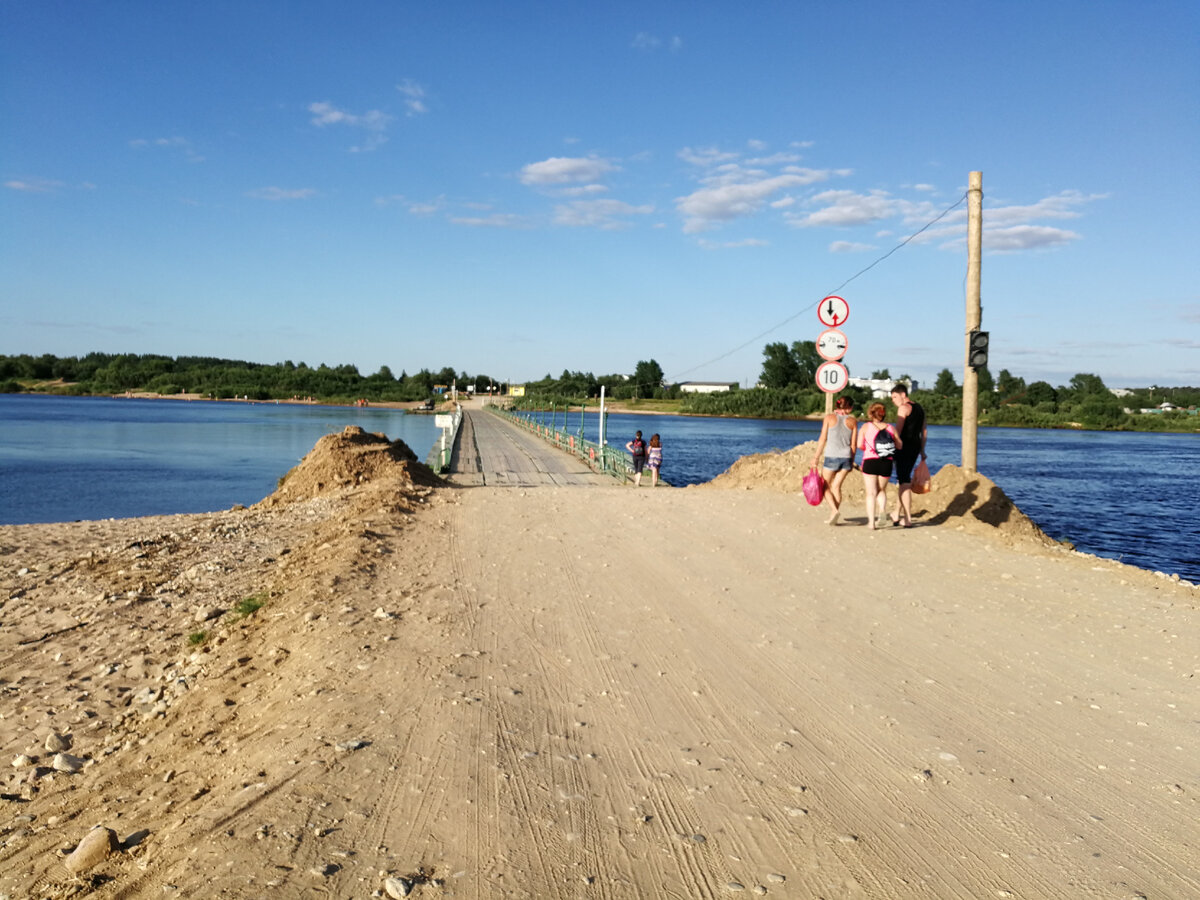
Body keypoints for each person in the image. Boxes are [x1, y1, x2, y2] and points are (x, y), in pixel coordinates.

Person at [810, 396, 857, 524]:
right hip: (846, 457)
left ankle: (834, 510)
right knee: (836, 487)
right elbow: (853, 445)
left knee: (824, 485)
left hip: (832, 456)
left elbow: (822, 439)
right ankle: (833, 516)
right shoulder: (853, 421)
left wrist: (816, 457)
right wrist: (852, 461)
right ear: (850, 407)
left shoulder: (829, 418)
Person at [858, 401, 902, 530]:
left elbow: (859, 444)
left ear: (871, 414)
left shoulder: (866, 427)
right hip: (886, 462)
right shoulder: (890, 428)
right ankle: (882, 510)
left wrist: (868, 447)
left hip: (870, 461)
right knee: (881, 490)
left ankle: (871, 523)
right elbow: (899, 445)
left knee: (871, 493)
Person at [889, 382, 927, 528]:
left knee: (904, 481)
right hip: (915, 447)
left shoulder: (903, 408)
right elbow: (924, 431)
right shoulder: (920, 409)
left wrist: (891, 446)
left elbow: (897, 431)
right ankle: (896, 513)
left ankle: (908, 518)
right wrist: (922, 450)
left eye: (894, 397)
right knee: (903, 479)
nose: (893, 400)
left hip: (903, 447)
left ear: (903, 395)